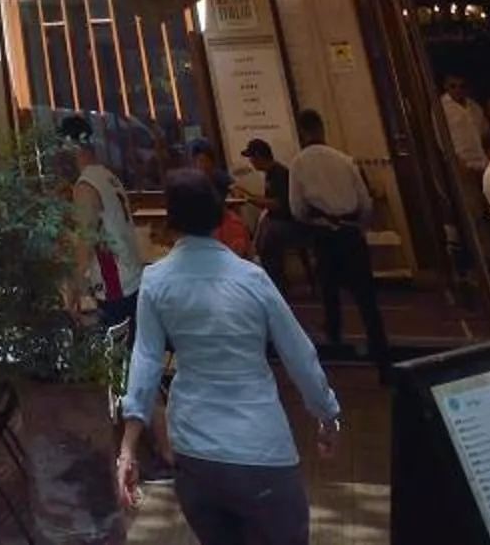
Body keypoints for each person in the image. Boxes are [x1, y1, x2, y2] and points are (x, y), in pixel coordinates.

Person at [114, 167, 343, 545]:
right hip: (261, 448)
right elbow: (300, 356)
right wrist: (327, 415)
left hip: (194, 453)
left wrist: (127, 447)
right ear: (219, 213)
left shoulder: (155, 280)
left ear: (171, 222)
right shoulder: (251, 278)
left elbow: (146, 362)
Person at [284, 110, 390, 365]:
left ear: (302, 132)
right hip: (352, 234)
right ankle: (382, 355)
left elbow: (297, 209)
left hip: (324, 235)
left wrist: (316, 221)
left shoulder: (298, 164)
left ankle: (335, 344)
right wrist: (357, 227)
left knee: (330, 294)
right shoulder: (345, 160)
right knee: (366, 298)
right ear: (322, 129)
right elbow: (365, 203)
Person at [60, 115, 144, 329]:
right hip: (132, 275)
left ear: (70, 145)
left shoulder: (86, 185)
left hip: (115, 283)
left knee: (114, 352)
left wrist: (74, 288)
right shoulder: (108, 176)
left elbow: (85, 239)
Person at [236, 138, 303, 287]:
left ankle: (275, 280)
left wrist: (249, 198)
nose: (251, 162)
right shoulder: (271, 173)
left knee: (269, 235)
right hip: (280, 221)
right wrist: (248, 195)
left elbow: (277, 204)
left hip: (288, 222)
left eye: (252, 157)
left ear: (259, 156)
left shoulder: (278, 174)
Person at [181, 139, 255, 259]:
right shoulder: (190, 180)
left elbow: (235, 190)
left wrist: (236, 194)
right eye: (197, 161)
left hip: (221, 220)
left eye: (204, 161)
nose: (201, 165)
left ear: (211, 161)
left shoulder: (219, 176)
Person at [436, 74, 488, 175]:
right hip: (462, 165)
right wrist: (455, 160)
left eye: (462, 86)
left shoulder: (474, 106)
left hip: (483, 162)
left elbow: (485, 132)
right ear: (445, 86)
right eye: (453, 86)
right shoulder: (441, 108)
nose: (458, 90)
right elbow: (440, 138)